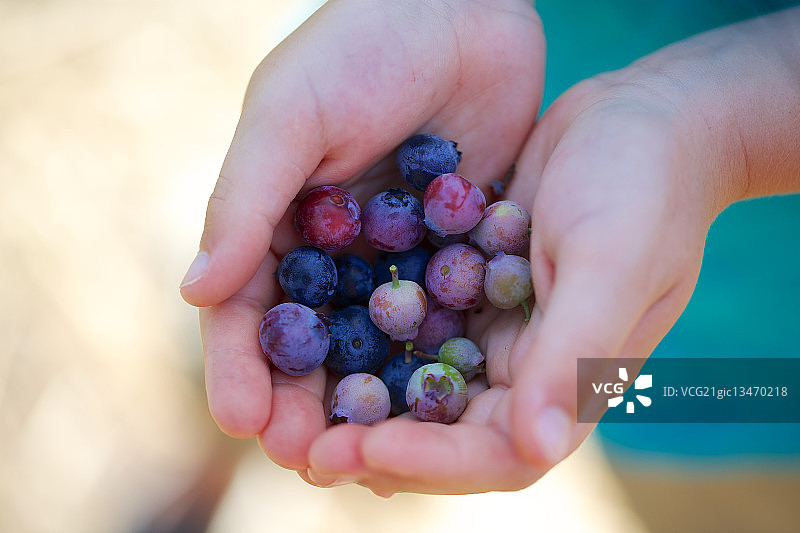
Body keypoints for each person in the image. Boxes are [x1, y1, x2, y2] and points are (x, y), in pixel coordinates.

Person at [179, 0, 800, 496]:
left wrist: (717, 135)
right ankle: (202, 481)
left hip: (750, 360)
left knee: (693, 462)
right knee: (245, 355)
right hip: (408, 107)